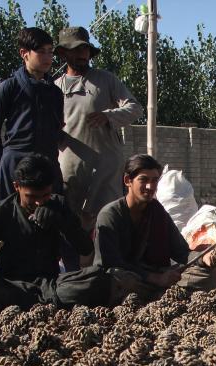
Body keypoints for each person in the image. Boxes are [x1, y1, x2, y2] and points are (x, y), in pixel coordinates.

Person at [0, 154, 105, 308]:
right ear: (17, 187)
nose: (39, 202)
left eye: (45, 195)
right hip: (12, 285)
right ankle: (48, 303)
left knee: (98, 278)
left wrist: (61, 222)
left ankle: (41, 302)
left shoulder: (58, 204)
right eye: (32, 196)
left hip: (51, 285)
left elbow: (86, 248)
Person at [95, 154, 216, 300]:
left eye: (154, 181)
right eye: (143, 180)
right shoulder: (110, 214)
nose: (150, 187)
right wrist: (154, 278)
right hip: (129, 277)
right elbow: (111, 263)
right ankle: (159, 296)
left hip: (157, 274)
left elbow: (181, 252)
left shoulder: (157, 211)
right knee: (119, 278)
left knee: (205, 273)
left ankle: (159, 296)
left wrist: (204, 258)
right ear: (127, 181)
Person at [55, 27, 144, 233]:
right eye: (76, 50)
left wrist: (108, 116)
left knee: (107, 220)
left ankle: (109, 264)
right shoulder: (54, 88)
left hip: (105, 167)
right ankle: (76, 264)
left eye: (85, 49)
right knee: (71, 223)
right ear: (63, 53)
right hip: (70, 168)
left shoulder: (105, 80)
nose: (82, 54)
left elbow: (135, 108)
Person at [0, 27, 64, 203]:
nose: (48, 57)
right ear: (24, 53)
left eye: (50, 52)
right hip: (16, 164)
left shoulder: (56, 93)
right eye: (41, 52)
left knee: (52, 219)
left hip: (48, 164)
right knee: (10, 220)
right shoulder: (9, 88)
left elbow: (57, 130)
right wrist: (8, 161)